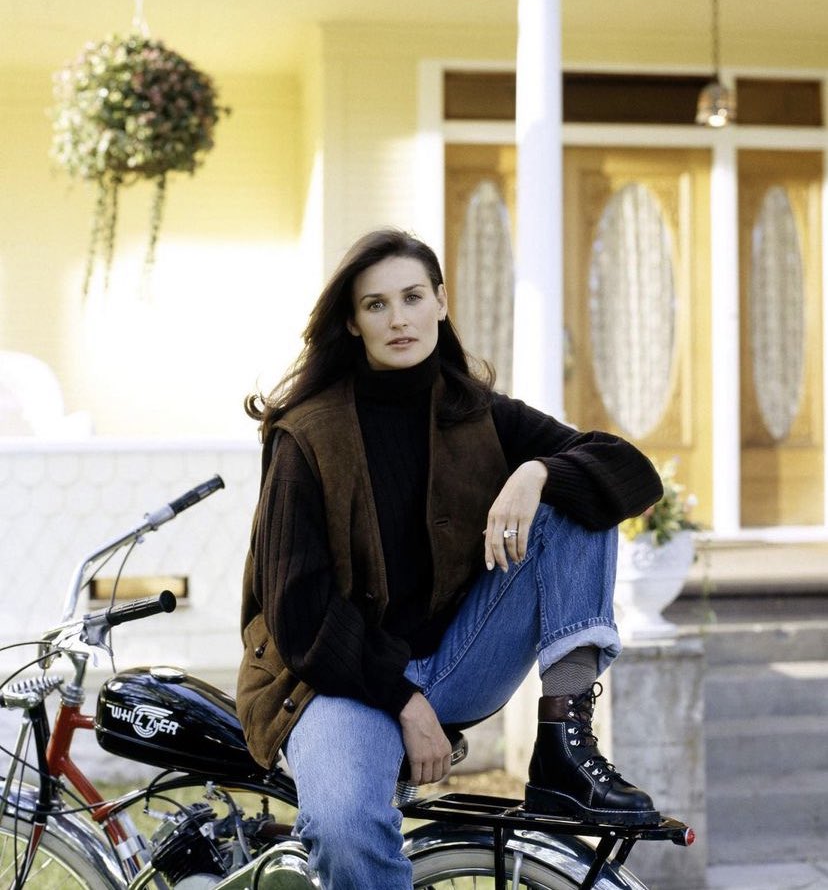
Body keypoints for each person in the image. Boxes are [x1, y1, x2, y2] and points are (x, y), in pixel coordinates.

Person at [237, 228, 663, 889]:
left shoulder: (478, 414)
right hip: (334, 680)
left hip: (458, 660)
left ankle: (563, 747)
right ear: (351, 322)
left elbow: (632, 473)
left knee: (579, 493)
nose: (398, 319)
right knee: (345, 826)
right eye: (376, 305)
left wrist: (537, 473)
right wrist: (405, 702)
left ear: (440, 301)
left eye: (412, 297)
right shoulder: (307, 435)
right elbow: (299, 615)